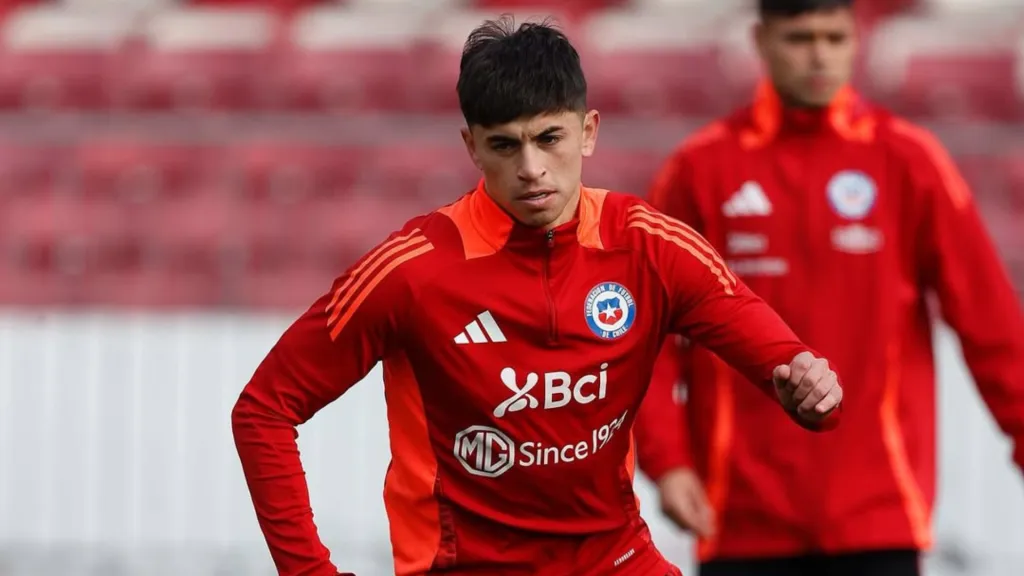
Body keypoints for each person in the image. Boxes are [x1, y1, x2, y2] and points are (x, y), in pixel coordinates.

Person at [231, 16, 844, 576]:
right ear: (472, 147)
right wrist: (309, 571)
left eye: (549, 138)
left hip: (614, 557)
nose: (531, 168)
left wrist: (807, 391)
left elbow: (787, 364)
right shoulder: (413, 269)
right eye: (505, 145)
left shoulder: (648, 244)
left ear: (588, 132)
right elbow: (263, 410)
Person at [633, 1, 1024, 575]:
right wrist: (667, 463)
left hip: (878, 512)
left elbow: (990, 324)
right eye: (800, 38)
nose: (820, 56)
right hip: (740, 517)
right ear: (761, 41)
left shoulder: (908, 160)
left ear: (855, 41)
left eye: (834, 38)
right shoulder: (701, 169)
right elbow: (649, 332)